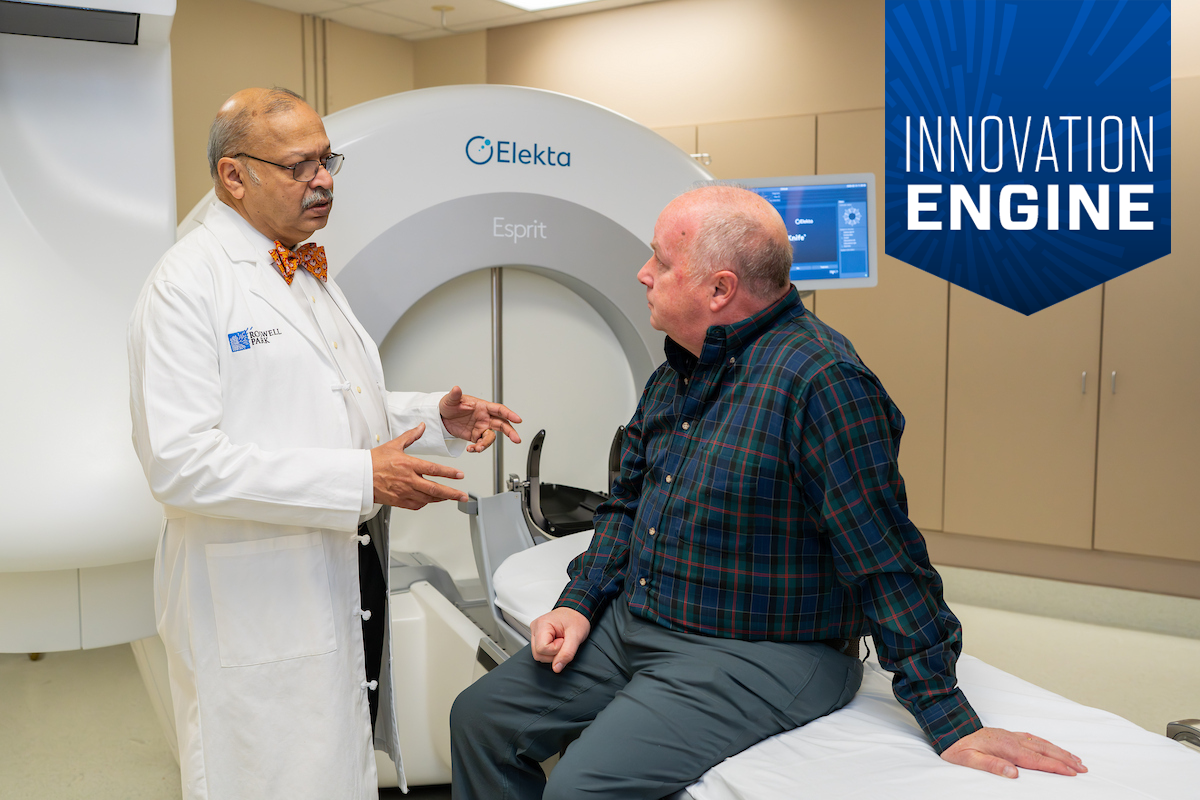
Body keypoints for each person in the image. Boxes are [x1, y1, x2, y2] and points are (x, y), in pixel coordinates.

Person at [449, 185, 1086, 800]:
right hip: (639, 622)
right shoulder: (677, 370)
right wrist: (580, 602)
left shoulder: (822, 383)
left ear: (719, 288)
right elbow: (627, 506)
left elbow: (885, 558)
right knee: (481, 719)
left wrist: (948, 717)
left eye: (661, 261)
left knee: (583, 787)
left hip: (761, 651)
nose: (643, 273)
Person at [128, 87, 521, 800]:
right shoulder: (187, 286)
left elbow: (331, 403)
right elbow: (178, 464)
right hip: (256, 600)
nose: (325, 179)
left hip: (339, 572)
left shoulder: (306, 271)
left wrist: (433, 415)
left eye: (327, 160)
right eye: (299, 165)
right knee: (263, 775)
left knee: (334, 769)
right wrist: (359, 480)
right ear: (234, 176)